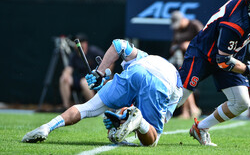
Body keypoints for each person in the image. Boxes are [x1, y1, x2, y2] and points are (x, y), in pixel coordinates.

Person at [22, 39, 182, 146]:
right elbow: (152, 120)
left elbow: (119, 45)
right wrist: (123, 116)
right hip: (161, 83)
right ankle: (138, 121)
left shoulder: (144, 57)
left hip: (136, 70)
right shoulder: (177, 88)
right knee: (151, 140)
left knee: (87, 107)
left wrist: (99, 72)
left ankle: (47, 127)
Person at [178, 0, 250, 146]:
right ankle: (134, 116)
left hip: (230, 52)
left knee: (242, 102)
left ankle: (200, 128)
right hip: (205, 52)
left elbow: (249, 32)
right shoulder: (236, 22)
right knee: (177, 98)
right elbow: (223, 61)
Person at [169, 11, 203, 119]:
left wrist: (190, 44)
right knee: (183, 84)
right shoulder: (177, 29)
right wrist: (177, 47)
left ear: (183, 19)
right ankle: (188, 111)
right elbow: (173, 46)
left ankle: (192, 109)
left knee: (185, 84)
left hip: (197, 59)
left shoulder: (195, 25)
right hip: (183, 61)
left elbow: (205, 41)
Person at [59, 33, 104, 110]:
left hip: (95, 79)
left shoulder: (94, 51)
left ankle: (95, 107)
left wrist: (104, 74)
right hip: (79, 79)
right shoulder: (74, 55)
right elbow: (68, 69)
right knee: (64, 79)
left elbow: (109, 63)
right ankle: (65, 106)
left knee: (84, 82)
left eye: (81, 42)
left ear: (85, 43)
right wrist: (66, 75)